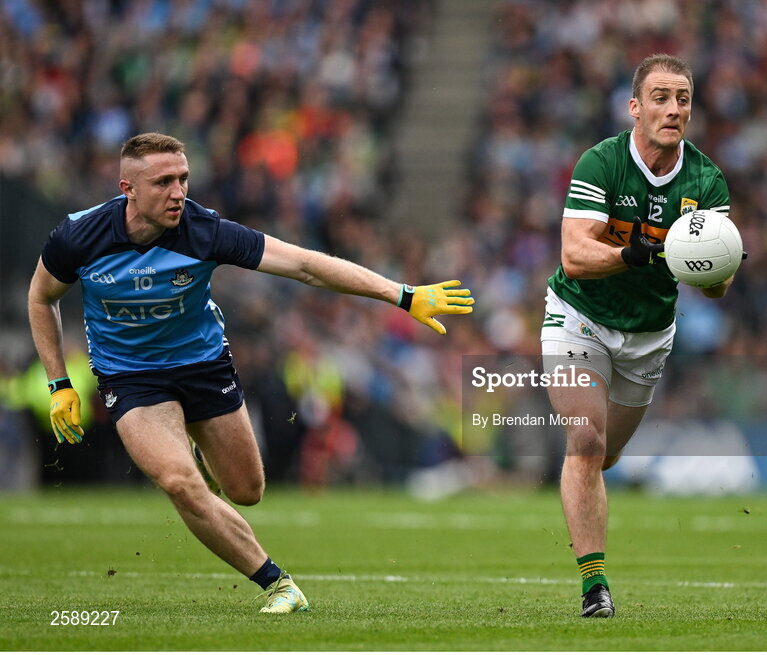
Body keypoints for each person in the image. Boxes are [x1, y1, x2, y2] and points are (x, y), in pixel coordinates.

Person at [27, 132, 474, 614]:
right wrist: (59, 383)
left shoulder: (206, 231)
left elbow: (304, 265)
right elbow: (41, 298)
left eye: (183, 179)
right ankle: (278, 583)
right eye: (163, 182)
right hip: (131, 377)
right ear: (127, 189)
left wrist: (402, 295)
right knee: (179, 482)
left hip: (202, 365)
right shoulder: (78, 236)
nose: (178, 192)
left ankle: (196, 448)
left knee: (246, 491)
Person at [541, 54, 734, 618]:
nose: (673, 109)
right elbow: (574, 256)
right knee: (586, 443)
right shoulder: (601, 163)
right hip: (579, 316)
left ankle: (584, 497)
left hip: (649, 335)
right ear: (635, 107)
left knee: (606, 456)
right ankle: (594, 586)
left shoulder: (707, 181)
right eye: (660, 97)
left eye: (683, 99)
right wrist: (635, 253)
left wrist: (715, 266)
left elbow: (715, 292)